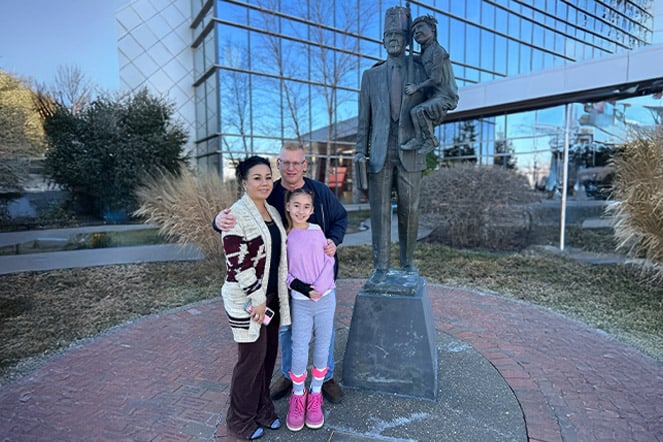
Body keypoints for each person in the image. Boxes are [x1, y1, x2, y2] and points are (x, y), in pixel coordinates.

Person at [215, 144, 348, 403]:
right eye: (286, 163)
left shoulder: (319, 192)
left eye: (297, 163)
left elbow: (340, 219)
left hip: (321, 278)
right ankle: (290, 375)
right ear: (279, 164)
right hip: (284, 278)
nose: (291, 168)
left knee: (324, 330)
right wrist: (217, 220)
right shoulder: (269, 191)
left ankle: (326, 375)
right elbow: (242, 214)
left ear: (305, 165)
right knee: (288, 330)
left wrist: (333, 239)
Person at [212, 156, 291, 440]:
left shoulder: (272, 210)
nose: (264, 182)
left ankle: (263, 409)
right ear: (244, 183)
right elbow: (238, 262)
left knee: (268, 358)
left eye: (268, 176)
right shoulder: (235, 214)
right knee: (250, 361)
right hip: (248, 300)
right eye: (256, 177)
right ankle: (239, 419)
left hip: (271, 299)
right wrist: (257, 299)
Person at [355, 6, 429, 278]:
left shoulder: (421, 71)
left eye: (398, 34)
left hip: (411, 151)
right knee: (380, 213)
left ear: (407, 39)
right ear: (383, 40)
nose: (393, 39)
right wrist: (358, 153)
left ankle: (407, 262)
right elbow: (365, 120)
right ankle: (381, 266)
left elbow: (442, 97)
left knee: (410, 209)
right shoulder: (371, 76)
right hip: (379, 153)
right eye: (388, 35)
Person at [283, 188, 336, 432]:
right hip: (301, 300)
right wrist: (305, 289)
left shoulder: (317, 231)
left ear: (312, 210)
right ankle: (298, 395)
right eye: (296, 205)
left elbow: (328, 260)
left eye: (306, 206)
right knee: (299, 345)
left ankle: (315, 394)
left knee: (323, 343)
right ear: (288, 207)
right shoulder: (286, 236)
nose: (301, 211)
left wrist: (321, 287)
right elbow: (286, 272)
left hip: (325, 297)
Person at [400, 14, 459, 153]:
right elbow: (419, 59)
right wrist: (404, 57)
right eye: (413, 31)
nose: (416, 33)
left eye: (420, 27)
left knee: (418, 111)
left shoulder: (438, 51)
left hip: (445, 96)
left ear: (432, 28)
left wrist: (416, 87)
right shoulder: (426, 51)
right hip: (434, 95)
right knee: (415, 112)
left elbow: (435, 79)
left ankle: (431, 140)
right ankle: (419, 139)